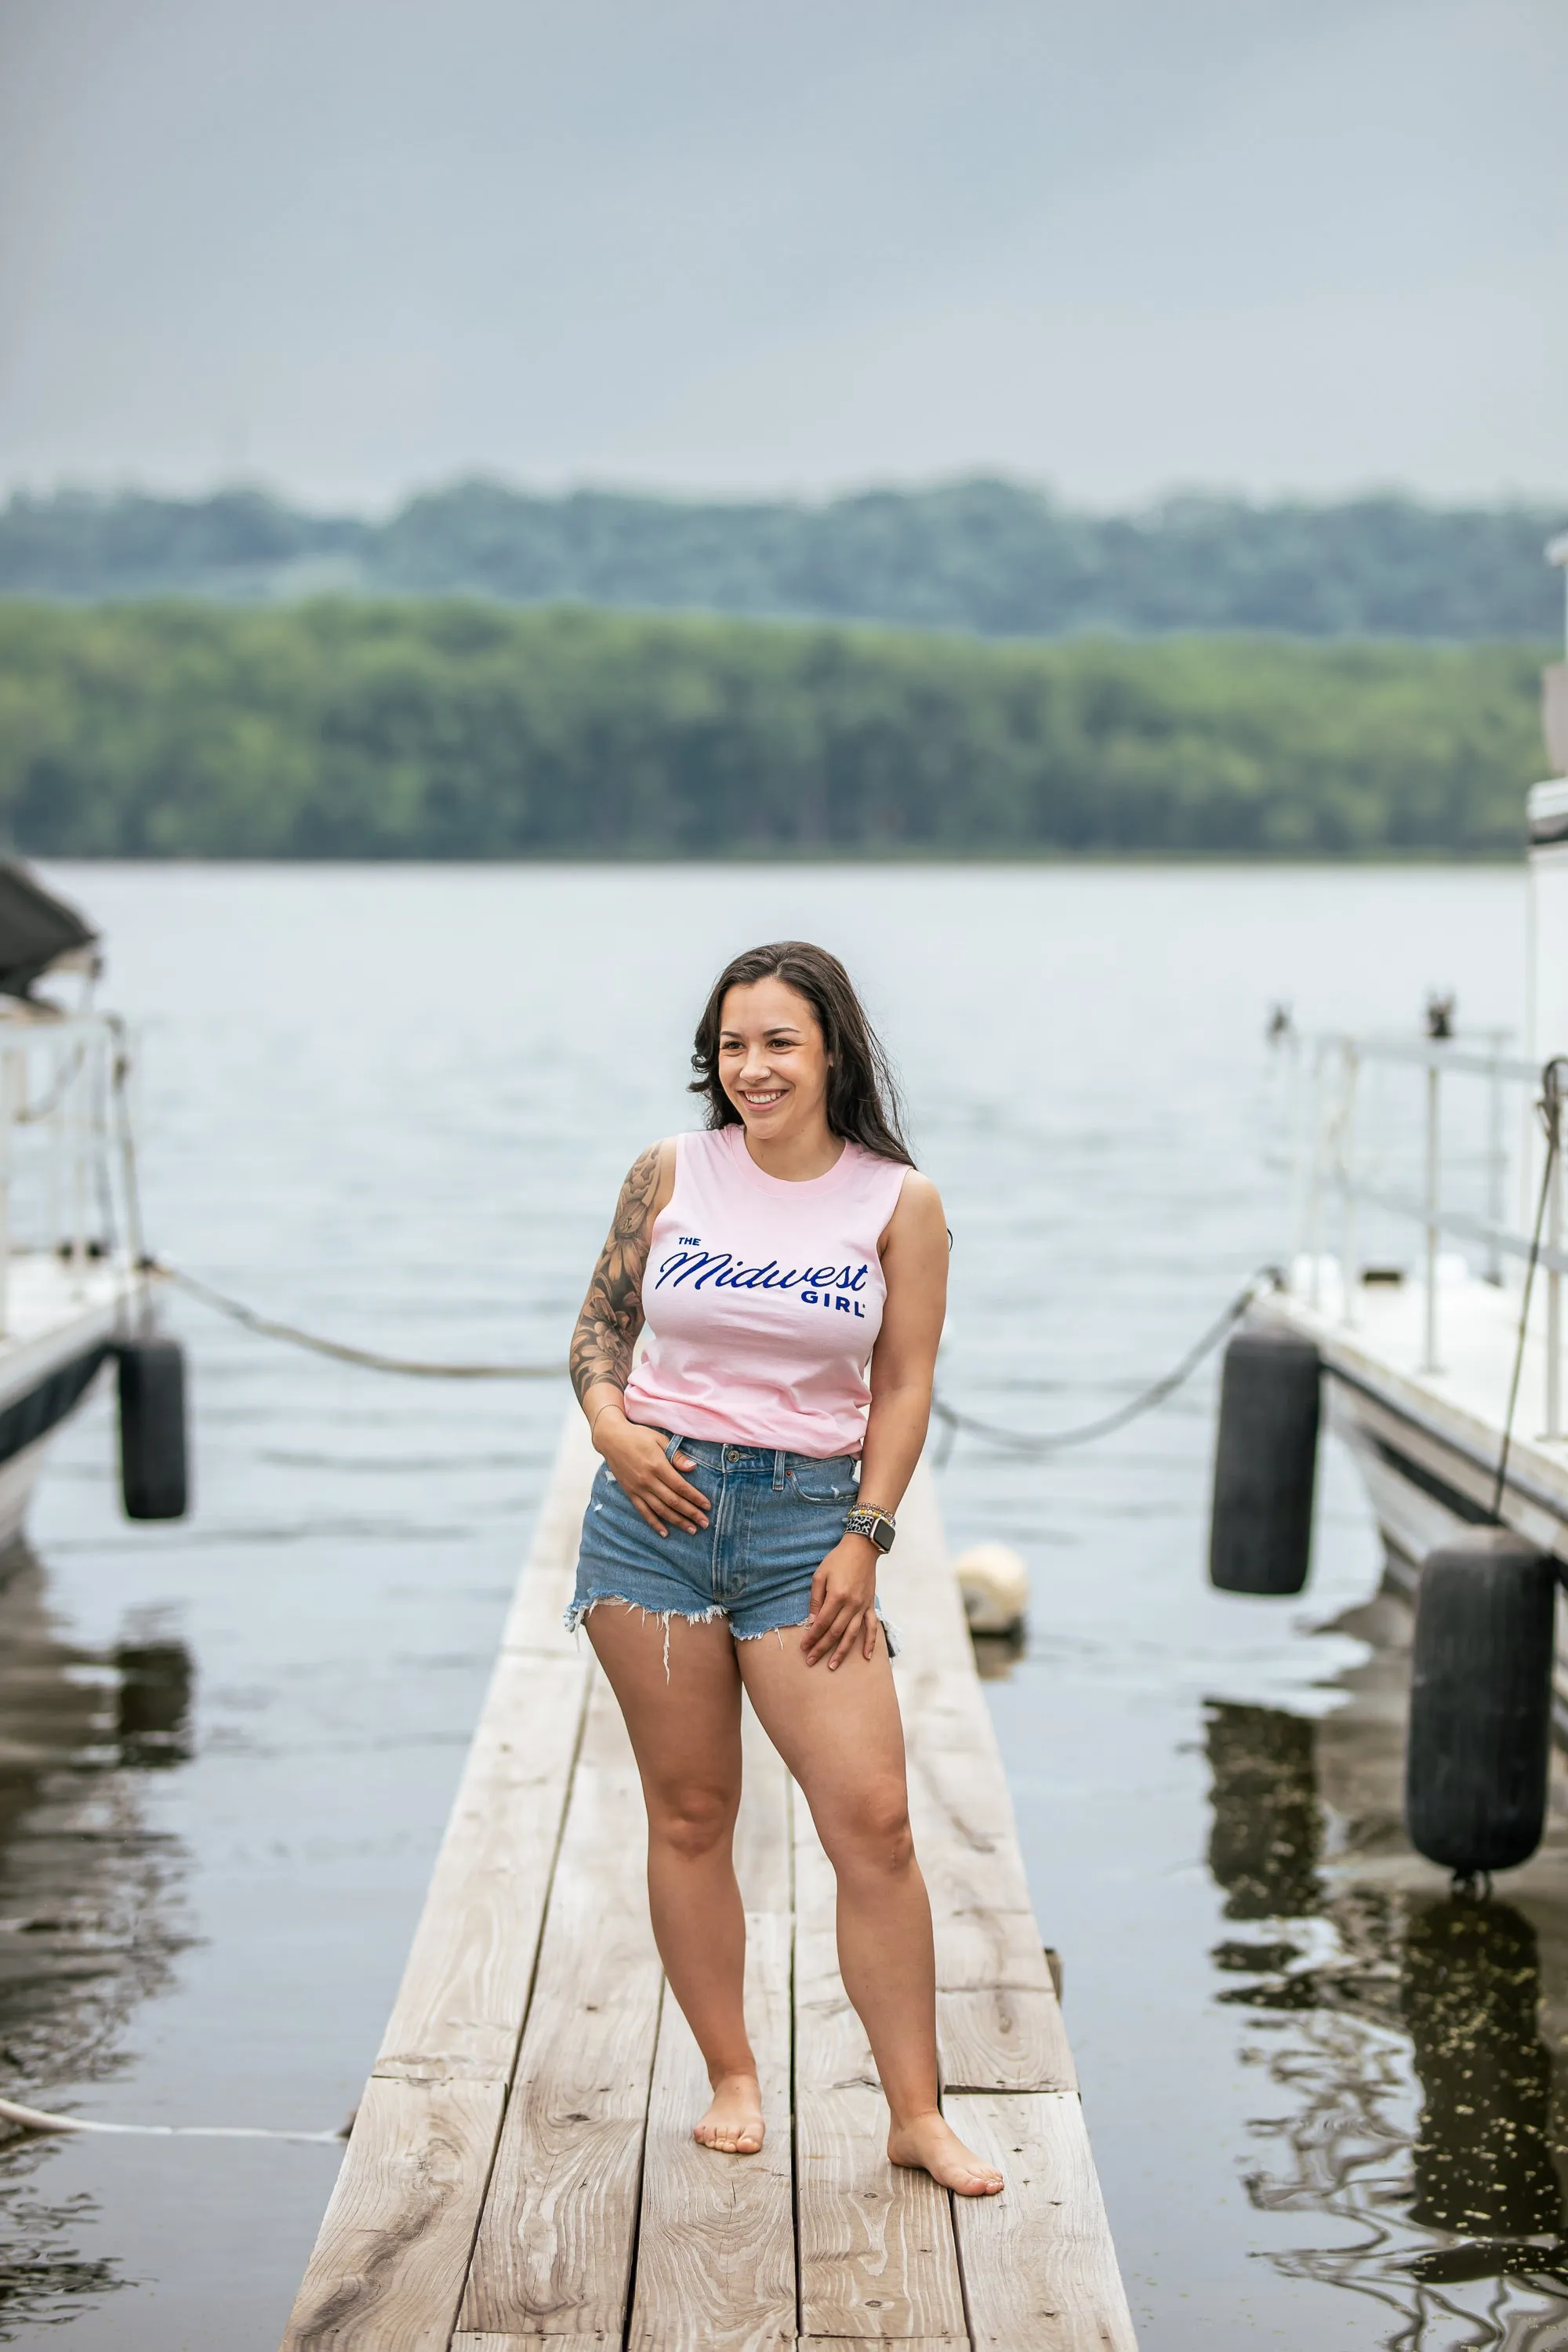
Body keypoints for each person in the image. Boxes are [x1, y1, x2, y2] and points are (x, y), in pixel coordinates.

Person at [566, 939, 1004, 2197]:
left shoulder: (896, 1201)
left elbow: (906, 1381)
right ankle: (733, 2076)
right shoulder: (668, 1172)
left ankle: (916, 2115)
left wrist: (866, 1535)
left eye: (778, 1044)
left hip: (812, 1524)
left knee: (873, 1823)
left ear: (832, 1055)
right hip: (651, 1516)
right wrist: (615, 1431)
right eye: (732, 1045)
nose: (751, 1068)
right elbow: (602, 1326)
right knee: (693, 1812)